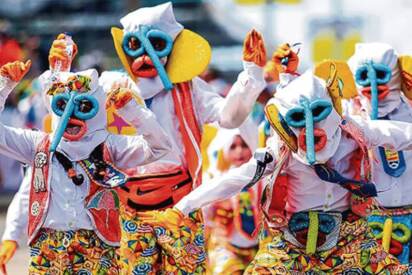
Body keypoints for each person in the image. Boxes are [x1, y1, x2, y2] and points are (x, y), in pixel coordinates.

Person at [149, 45, 412, 273]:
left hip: (349, 239)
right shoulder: (281, 149)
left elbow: (402, 134)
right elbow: (233, 180)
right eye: (299, 118)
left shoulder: (354, 130)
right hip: (290, 244)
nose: (311, 127)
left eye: (319, 112)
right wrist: (182, 208)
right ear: (285, 123)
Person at [0, 57, 171, 274]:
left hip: (98, 245)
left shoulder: (110, 145)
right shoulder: (39, 145)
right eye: (63, 105)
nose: (71, 115)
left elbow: (160, 147)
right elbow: (26, 194)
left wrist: (132, 111)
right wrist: (4, 85)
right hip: (49, 245)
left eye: (83, 107)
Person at [348, 43, 412, 266]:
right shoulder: (349, 116)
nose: (373, 84)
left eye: (381, 75)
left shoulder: (411, 111)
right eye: (364, 76)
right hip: (367, 220)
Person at [205, 118, 261, 275]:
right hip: (225, 245)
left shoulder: (261, 179)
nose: (239, 151)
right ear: (223, 150)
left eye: (244, 145)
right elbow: (205, 215)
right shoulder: (217, 180)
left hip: (257, 248)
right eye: (233, 146)